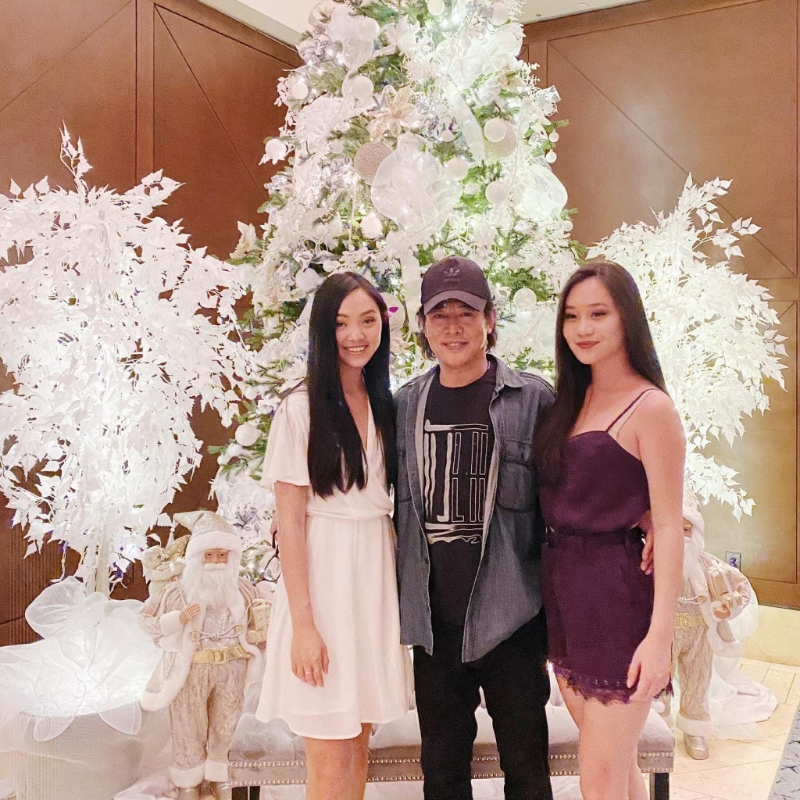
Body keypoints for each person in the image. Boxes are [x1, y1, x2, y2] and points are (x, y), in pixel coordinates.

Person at [394, 255, 555, 800]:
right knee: (442, 775)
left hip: (514, 618)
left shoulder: (532, 400)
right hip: (435, 625)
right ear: (422, 325)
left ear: (490, 319)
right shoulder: (404, 406)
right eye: (439, 315)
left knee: (527, 772)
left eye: (467, 313)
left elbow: (569, 495)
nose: (453, 327)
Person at [256, 272, 411, 799]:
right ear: (324, 330)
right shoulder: (299, 409)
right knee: (328, 759)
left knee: (358, 747)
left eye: (368, 321)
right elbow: (290, 525)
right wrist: (304, 625)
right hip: (322, 589)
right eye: (342, 323)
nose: (356, 335)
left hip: (372, 586)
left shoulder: (385, 404)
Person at [534, 261, 685, 800]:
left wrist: (660, 637)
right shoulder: (568, 402)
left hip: (617, 600)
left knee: (598, 779)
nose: (583, 328)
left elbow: (670, 525)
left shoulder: (652, 407)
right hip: (564, 595)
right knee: (617, 773)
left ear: (627, 319)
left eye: (598, 313)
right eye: (572, 316)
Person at [140, 510, 262, 800]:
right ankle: (189, 779)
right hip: (192, 669)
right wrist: (178, 619)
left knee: (228, 723)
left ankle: (221, 775)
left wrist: (258, 635)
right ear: (197, 557)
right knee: (188, 724)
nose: (217, 562)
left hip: (232, 668)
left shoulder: (244, 590)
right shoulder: (177, 592)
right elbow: (148, 623)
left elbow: (259, 625)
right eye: (210, 555)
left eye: (223, 555)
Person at [671, 498, 752, 759]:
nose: (683, 536)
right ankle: (654, 729)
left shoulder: (709, 565)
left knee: (697, 681)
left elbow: (741, 588)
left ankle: (694, 730)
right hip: (664, 632)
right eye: (677, 528)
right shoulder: (655, 563)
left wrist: (727, 607)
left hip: (700, 633)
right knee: (657, 683)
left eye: (687, 530)